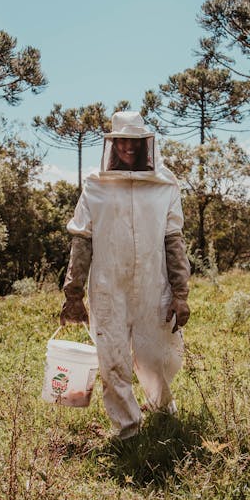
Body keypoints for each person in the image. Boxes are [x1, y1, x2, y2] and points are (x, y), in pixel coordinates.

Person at [60, 110, 191, 440]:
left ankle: (162, 410)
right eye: (121, 141)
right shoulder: (96, 183)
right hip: (108, 287)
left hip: (153, 285)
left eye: (134, 141)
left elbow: (173, 239)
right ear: (112, 143)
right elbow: (82, 238)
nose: (128, 147)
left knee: (156, 356)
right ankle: (128, 429)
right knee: (113, 358)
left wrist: (181, 293)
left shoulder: (164, 183)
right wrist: (73, 293)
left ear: (145, 144)